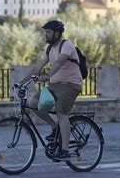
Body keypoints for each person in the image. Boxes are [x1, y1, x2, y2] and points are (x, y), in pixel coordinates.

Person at [19, 20, 83, 161]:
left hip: (70, 85)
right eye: (45, 32)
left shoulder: (66, 45)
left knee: (61, 112)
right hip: (55, 86)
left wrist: (47, 76)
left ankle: (65, 150)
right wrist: (21, 82)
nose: (45, 35)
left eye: (48, 32)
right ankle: (55, 128)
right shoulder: (49, 49)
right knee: (34, 103)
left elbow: (60, 62)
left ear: (57, 33)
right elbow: (38, 67)